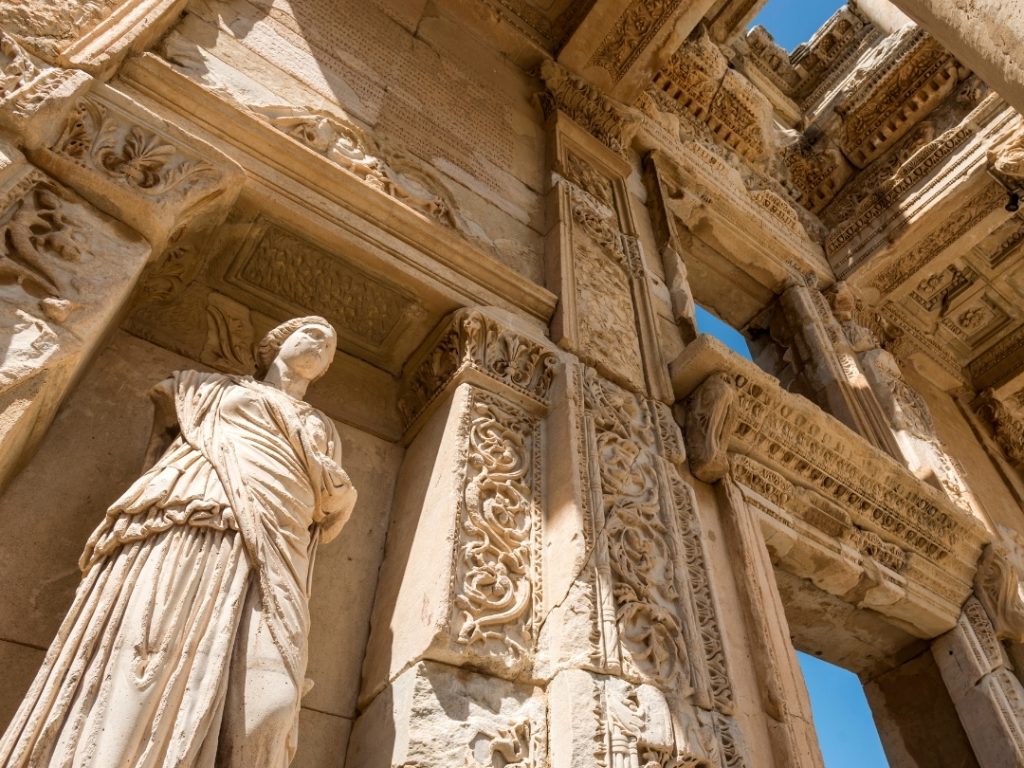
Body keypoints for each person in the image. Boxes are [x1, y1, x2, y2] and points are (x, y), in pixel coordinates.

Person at [0, 316, 357, 767]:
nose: (321, 346)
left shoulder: (322, 426)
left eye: (330, 346)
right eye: (312, 334)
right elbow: (163, 441)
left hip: (277, 553)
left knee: (273, 706)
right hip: (193, 522)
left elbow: (325, 505)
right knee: (147, 662)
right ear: (277, 344)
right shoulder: (207, 389)